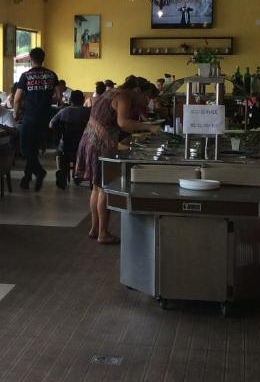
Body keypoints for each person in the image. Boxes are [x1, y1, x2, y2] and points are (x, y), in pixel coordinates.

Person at [76, 77, 160, 244]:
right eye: (147, 96)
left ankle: (94, 229)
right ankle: (103, 233)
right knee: (105, 188)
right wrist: (149, 127)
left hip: (88, 141)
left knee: (96, 188)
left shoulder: (110, 92)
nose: (147, 100)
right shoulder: (124, 97)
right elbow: (123, 123)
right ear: (137, 91)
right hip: (101, 145)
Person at [12, 47, 59, 191]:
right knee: (33, 148)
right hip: (45, 117)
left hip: (30, 116)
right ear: (43, 58)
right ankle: (26, 179)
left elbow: (17, 98)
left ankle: (39, 171)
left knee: (25, 147)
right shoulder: (52, 75)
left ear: (30, 59)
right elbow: (58, 96)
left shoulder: (26, 76)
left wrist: (16, 113)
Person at [50, 90, 90, 189]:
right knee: (81, 148)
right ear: (83, 99)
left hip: (66, 145)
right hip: (83, 146)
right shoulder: (88, 112)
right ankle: (78, 174)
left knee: (62, 151)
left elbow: (51, 124)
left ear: (71, 100)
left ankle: (63, 172)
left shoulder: (64, 111)